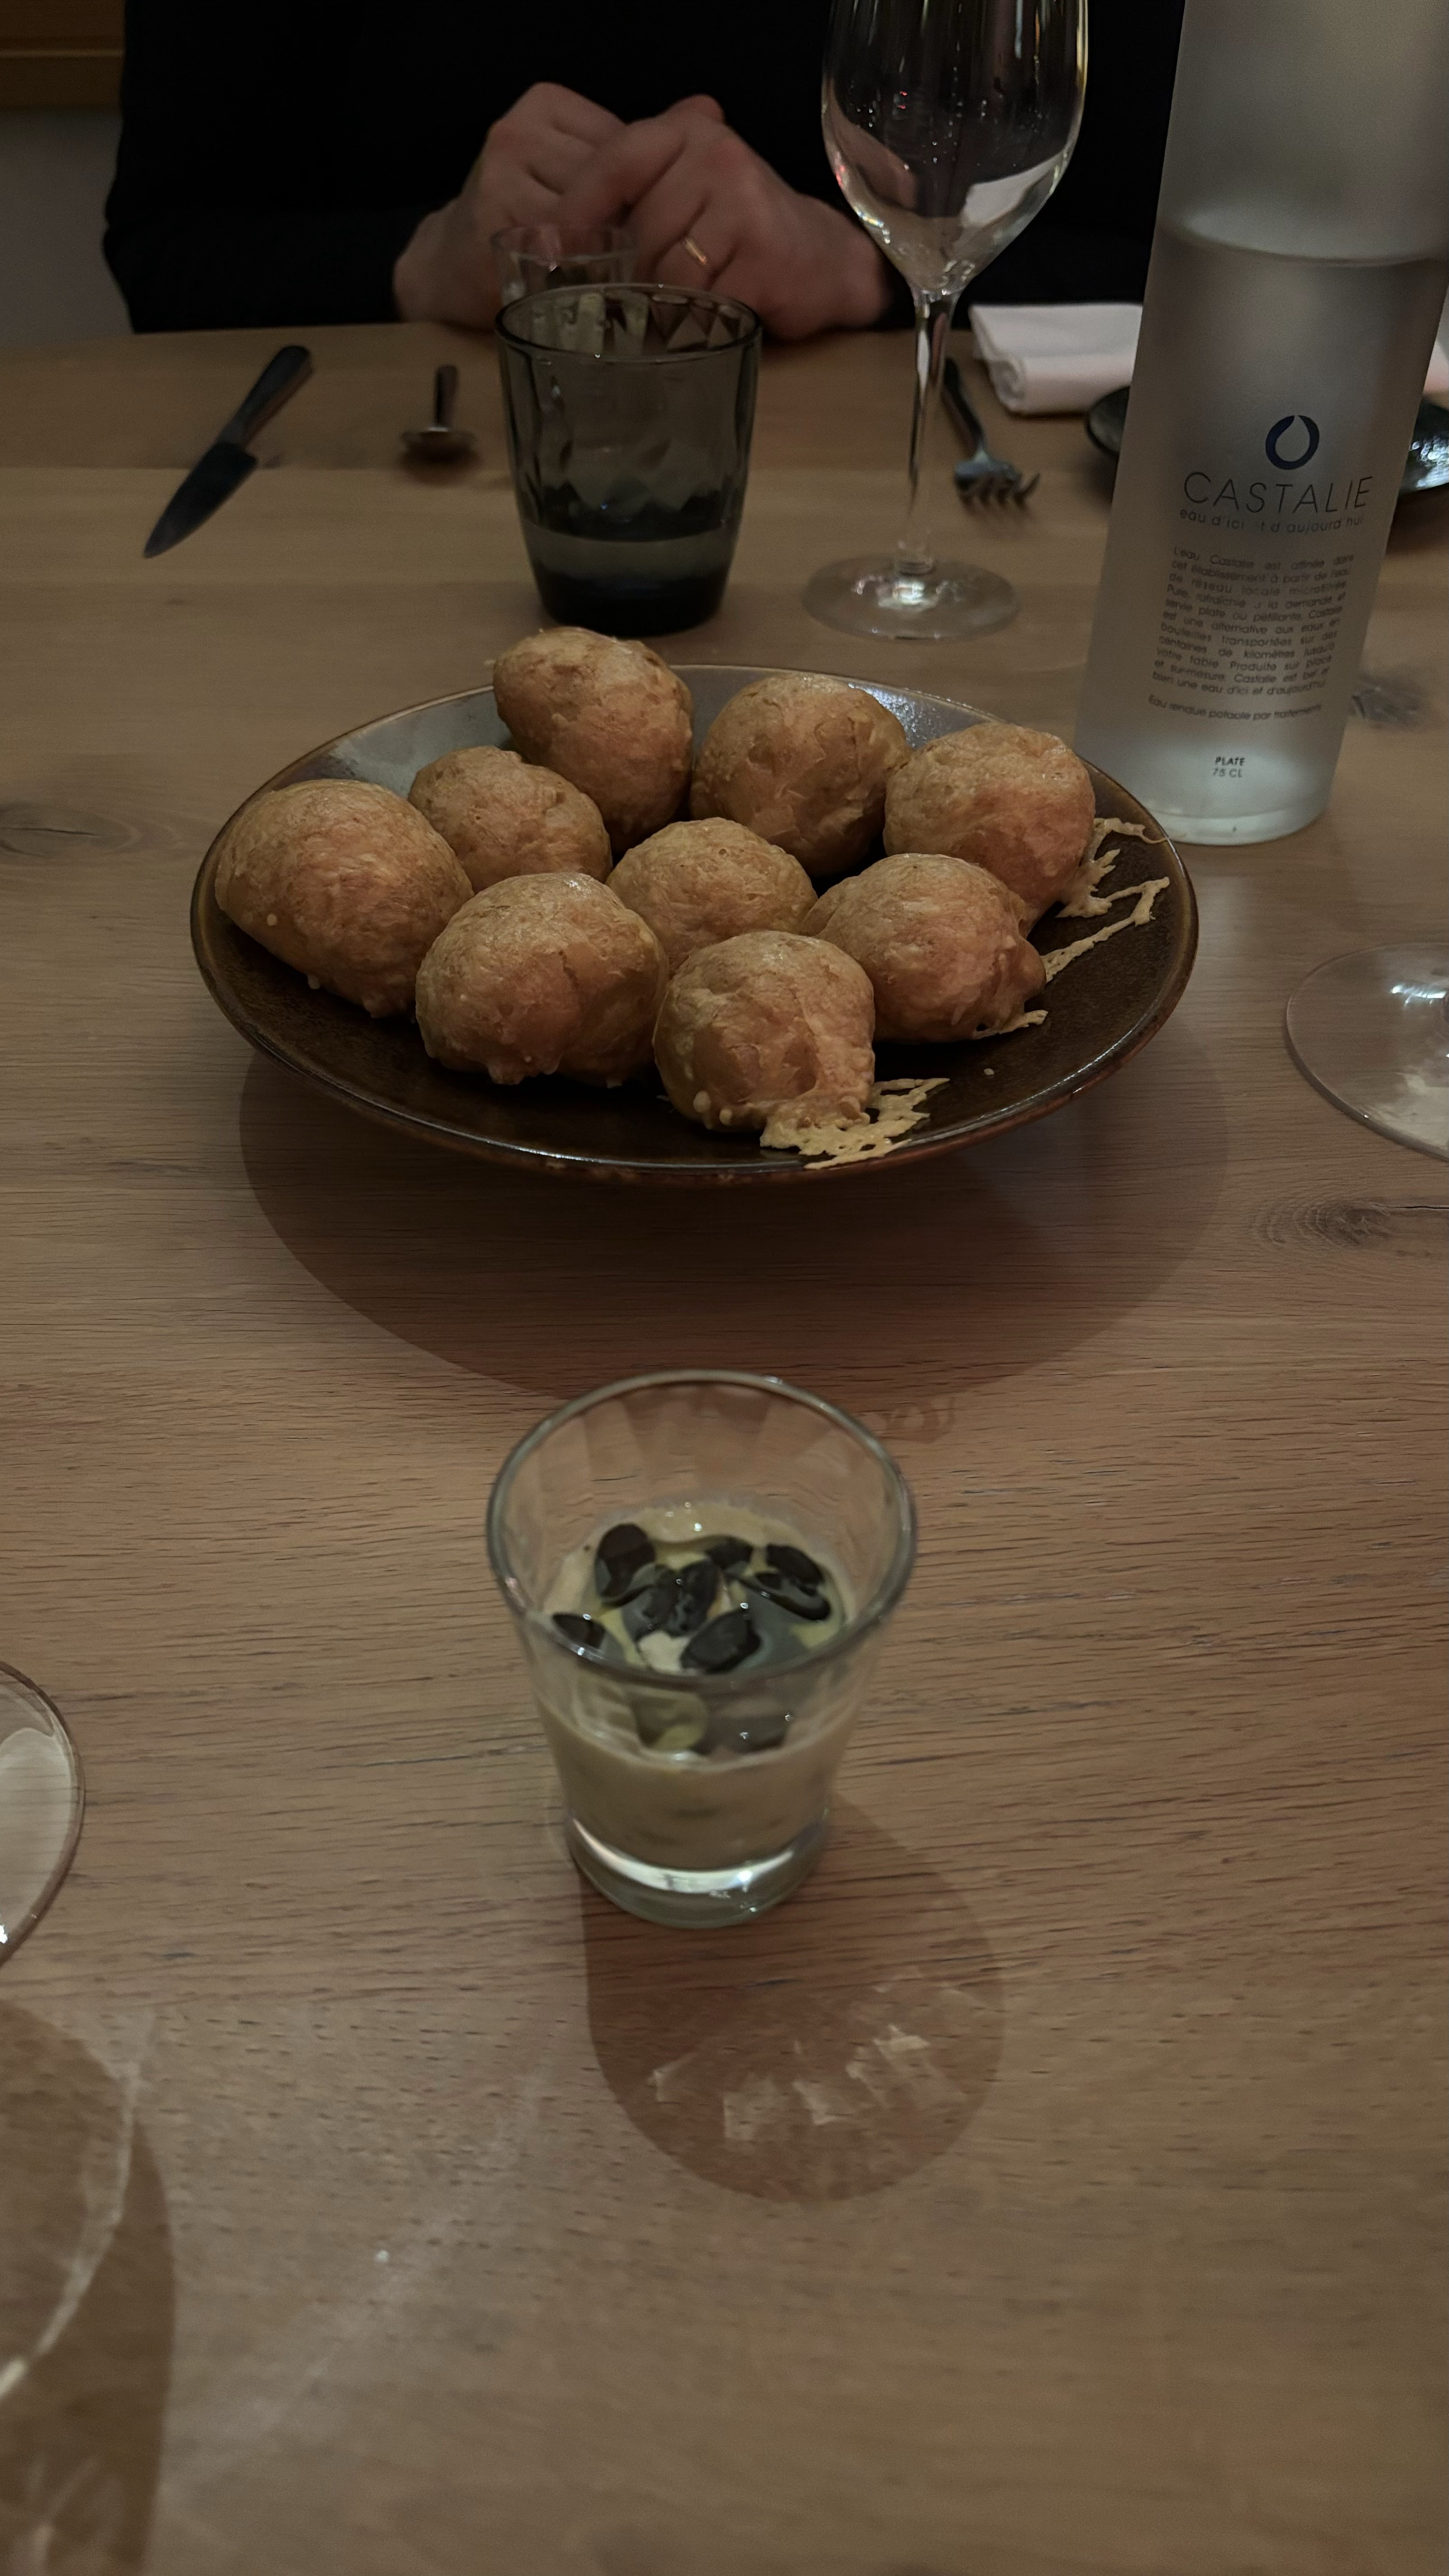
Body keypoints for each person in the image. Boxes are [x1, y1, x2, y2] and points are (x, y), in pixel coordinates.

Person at [104, 1, 1184, 340]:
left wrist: (866, 265)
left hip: (908, 528)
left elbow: (1177, 272)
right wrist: (414, 262)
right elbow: (169, 248)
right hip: (384, 497)